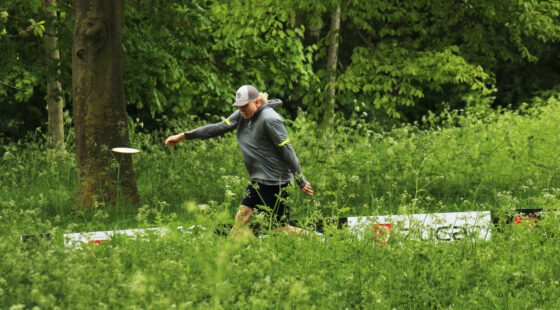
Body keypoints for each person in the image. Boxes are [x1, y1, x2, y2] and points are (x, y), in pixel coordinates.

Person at [165, 85, 314, 237]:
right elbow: (219, 127)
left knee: (280, 230)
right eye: (239, 107)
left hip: (276, 182)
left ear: (256, 102)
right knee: (241, 220)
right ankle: (234, 254)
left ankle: (317, 239)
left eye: (244, 106)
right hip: (258, 180)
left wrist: (300, 180)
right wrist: (183, 136)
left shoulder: (270, 119)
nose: (241, 110)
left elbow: (287, 150)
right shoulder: (242, 115)